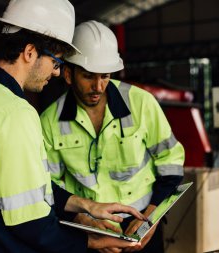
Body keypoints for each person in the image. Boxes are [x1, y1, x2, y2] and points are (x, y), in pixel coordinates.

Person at [0, 2, 146, 253]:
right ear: (30, 52)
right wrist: (91, 241)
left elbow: (24, 191)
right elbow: (31, 224)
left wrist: (86, 205)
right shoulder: (16, 113)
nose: (56, 73)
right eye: (55, 62)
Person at [40, 20, 185, 253]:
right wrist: (81, 221)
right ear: (68, 74)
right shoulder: (49, 121)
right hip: (88, 231)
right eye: (88, 76)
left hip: (142, 224)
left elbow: (171, 162)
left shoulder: (141, 103)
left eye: (105, 75)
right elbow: (49, 185)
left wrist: (153, 216)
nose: (98, 86)